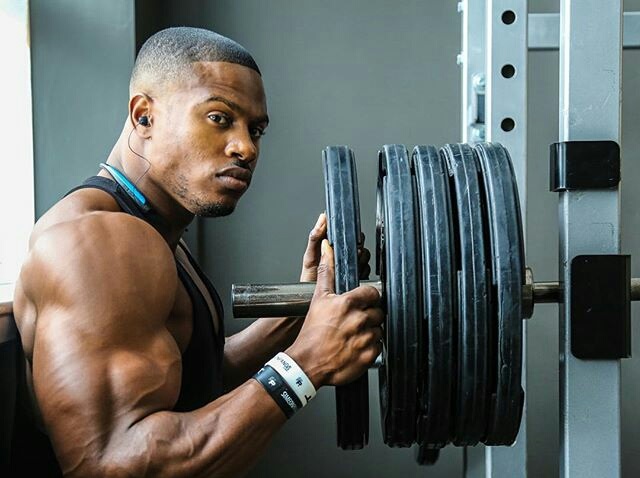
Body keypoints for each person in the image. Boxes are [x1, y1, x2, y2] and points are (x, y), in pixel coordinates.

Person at [10, 27, 383, 476]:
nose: (245, 147)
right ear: (144, 115)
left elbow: (194, 375)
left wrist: (301, 311)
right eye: (220, 118)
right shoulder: (102, 242)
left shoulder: (155, 229)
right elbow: (109, 464)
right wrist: (306, 363)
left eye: (256, 129)